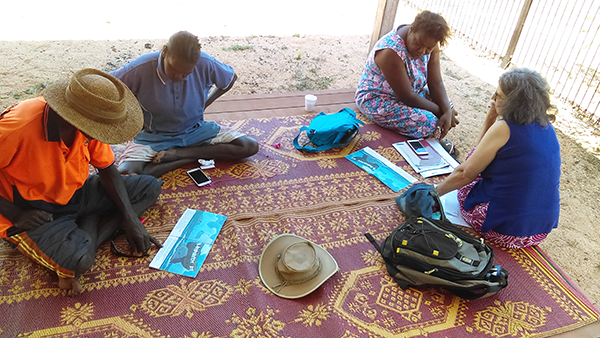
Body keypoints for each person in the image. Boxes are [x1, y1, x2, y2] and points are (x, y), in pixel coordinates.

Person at [0, 68, 163, 295]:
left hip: (75, 193)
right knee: (80, 262)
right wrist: (16, 214)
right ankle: (88, 231)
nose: (104, 136)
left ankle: (89, 228)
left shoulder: (87, 126)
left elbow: (107, 169)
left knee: (150, 187)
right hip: (32, 211)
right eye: (103, 131)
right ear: (78, 121)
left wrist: (131, 218)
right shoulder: (18, 127)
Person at [435, 68, 561, 248]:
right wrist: (492, 115)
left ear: (515, 103)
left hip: (504, 230)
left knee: (467, 188)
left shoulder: (505, 127)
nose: (493, 98)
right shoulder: (547, 127)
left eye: (499, 95)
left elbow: (466, 172)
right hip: (538, 232)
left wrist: (434, 192)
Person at [111, 31, 259, 177]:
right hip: (155, 135)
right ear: (164, 53)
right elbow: (109, 86)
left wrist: (205, 105)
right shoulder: (140, 68)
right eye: (174, 70)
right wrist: (131, 117)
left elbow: (230, 78)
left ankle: (180, 154)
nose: (179, 77)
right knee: (127, 173)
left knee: (249, 146)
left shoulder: (205, 62)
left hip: (195, 130)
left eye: (186, 74)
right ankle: (189, 156)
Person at [355, 10, 459, 152]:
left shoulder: (431, 44)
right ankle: (429, 144)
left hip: (411, 93)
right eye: (418, 43)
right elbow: (407, 97)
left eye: (428, 48)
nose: (422, 51)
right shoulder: (390, 51)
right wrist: (442, 112)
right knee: (428, 121)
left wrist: (447, 110)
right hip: (378, 99)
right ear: (411, 30)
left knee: (448, 104)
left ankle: (428, 138)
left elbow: (436, 82)